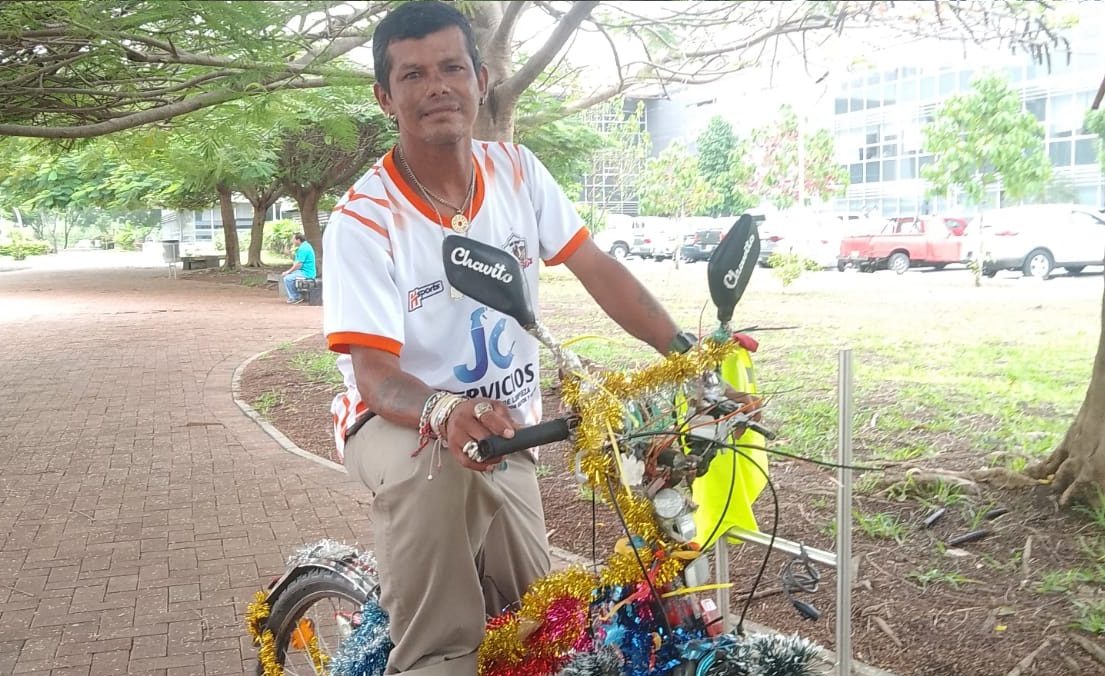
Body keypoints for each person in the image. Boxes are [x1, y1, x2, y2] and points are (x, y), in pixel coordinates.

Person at [321, 3, 698, 674]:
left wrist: (687, 353)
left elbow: (597, 269)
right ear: (384, 96)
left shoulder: (518, 171)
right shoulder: (364, 221)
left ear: (480, 78)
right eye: (411, 75)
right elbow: (375, 378)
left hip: (506, 427)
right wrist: (443, 411)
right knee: (449, 633)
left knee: (541, 624)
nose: (435, 86)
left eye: (450, 67)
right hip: (399, 425)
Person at [282, 233, 317, 304]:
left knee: (287, 278)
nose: (292, 241)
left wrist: (288, 272)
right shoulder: (305, 246)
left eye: (293, 239)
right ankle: (296, 296)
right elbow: (297, 261)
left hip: (306, 273)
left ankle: (296, 297)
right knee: (288, 275)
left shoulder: (303, 248)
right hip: (303, 271)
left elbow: (299, 264)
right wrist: (289, 254)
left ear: (298, 240)